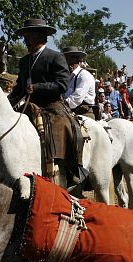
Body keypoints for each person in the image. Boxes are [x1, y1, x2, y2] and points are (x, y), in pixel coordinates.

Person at [8, 18, 84, 186]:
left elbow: (62, 85)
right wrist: (6, 104)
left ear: (40, 36)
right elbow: (20, 88)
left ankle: (68, 170)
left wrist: (37, 87)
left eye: (28, 36)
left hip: (52, 105)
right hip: (29, 106)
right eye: (25, 37)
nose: (25, 40)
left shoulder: (56, 57)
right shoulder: (24, 60)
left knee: (62, 126)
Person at [61, 47, 96, 119]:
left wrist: (60, 105)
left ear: (78, 60)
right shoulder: (69, 76)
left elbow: (76, 99)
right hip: (69, 111)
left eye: (70, 59)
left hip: (84, 114)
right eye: (65, 60)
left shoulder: (84, 75)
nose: (67, 62)